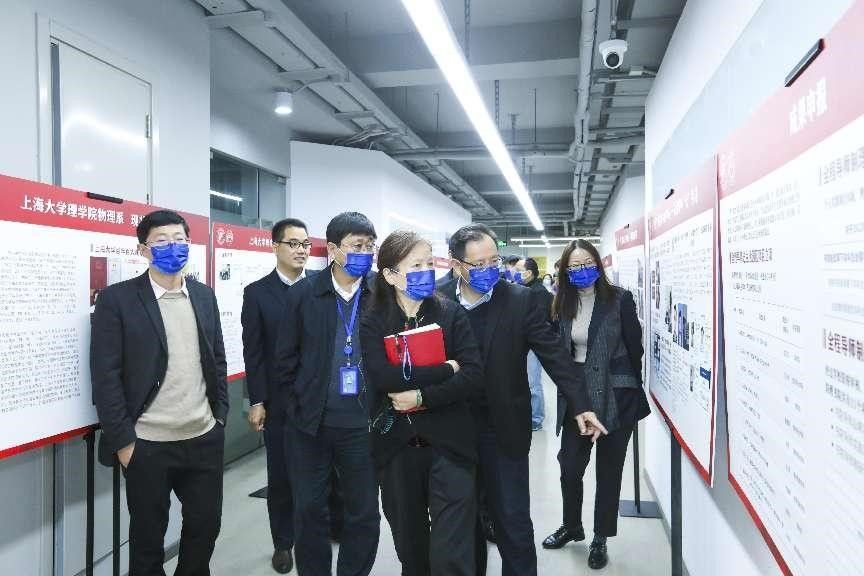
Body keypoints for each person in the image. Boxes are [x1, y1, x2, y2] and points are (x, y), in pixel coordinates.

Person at [438, 224, 608, 576]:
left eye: (494, 261)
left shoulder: (519, 300)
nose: (490, 270)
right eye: (479, 264)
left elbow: (555, 356)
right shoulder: (436, 300)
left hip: (503, 429)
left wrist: (581, 404)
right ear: (456, 265)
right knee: (463, 524)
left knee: (512, 520)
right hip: (451, 430)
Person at [91, 210, 228, 576]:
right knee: (148, 540)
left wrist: (219, 417)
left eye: (179, 240)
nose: (173, 247)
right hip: (147, 443)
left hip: (202, 436)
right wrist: (124, 443)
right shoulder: (118, 300)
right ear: (143, 249)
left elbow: (217, 358)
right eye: (162, 241)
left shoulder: (203, 296)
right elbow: (105, 376)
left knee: (205, 528)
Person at [361, 230, 483, 576]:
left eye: (429, 263)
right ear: (390, 275)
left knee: (451, 552)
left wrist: (421, 396)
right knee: (411, 549)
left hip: (450, 446)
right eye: (416, 265)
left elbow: (472, 375)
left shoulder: (451, 314)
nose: (426, 271)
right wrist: (446, 368)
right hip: (397, 448)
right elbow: (383, 377)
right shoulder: (373, 321)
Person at [273, 212, 380, 576]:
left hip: (364, 425)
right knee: (309, 510)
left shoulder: (380, 294)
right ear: (333, 249)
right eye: (356, 245)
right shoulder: (304, 293)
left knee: (363, 512)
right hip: (311, 426)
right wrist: (298, 405)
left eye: (370, 246)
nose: (365, 253)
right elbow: (285, 359)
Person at [541, 240, 651, 570]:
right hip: (577, 396)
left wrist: (625, 386)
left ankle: (600, 537)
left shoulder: (619, 299)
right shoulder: (560, 303)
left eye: (587, 263)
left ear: (598, 264)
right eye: (574, 266)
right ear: (564, 270)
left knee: (609, 471)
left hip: (617, 396)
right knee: (570, 466)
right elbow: (558, 352)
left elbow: (635, 348)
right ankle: (571, 526)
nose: (582, 270)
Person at [241, 217, 342, 574]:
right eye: (293, 244)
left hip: (323, 400)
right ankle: (283, 543)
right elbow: (253, 352)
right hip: (281, 403)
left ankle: (324, 531)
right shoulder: (257, 293)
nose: (301, 250)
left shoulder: (323, 286)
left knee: (325, 472)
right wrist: (257, 400)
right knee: (282, 476)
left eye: (305, 244)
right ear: (275, 247)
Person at [514, 258, 553, 432]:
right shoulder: (523, 289)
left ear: (529, 273)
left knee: (533, 383)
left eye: (518, 270)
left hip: (532, 345)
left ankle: (536, 419)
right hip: (522, 344)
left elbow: (539, 322)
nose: (514, 273)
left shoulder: (538, 292)